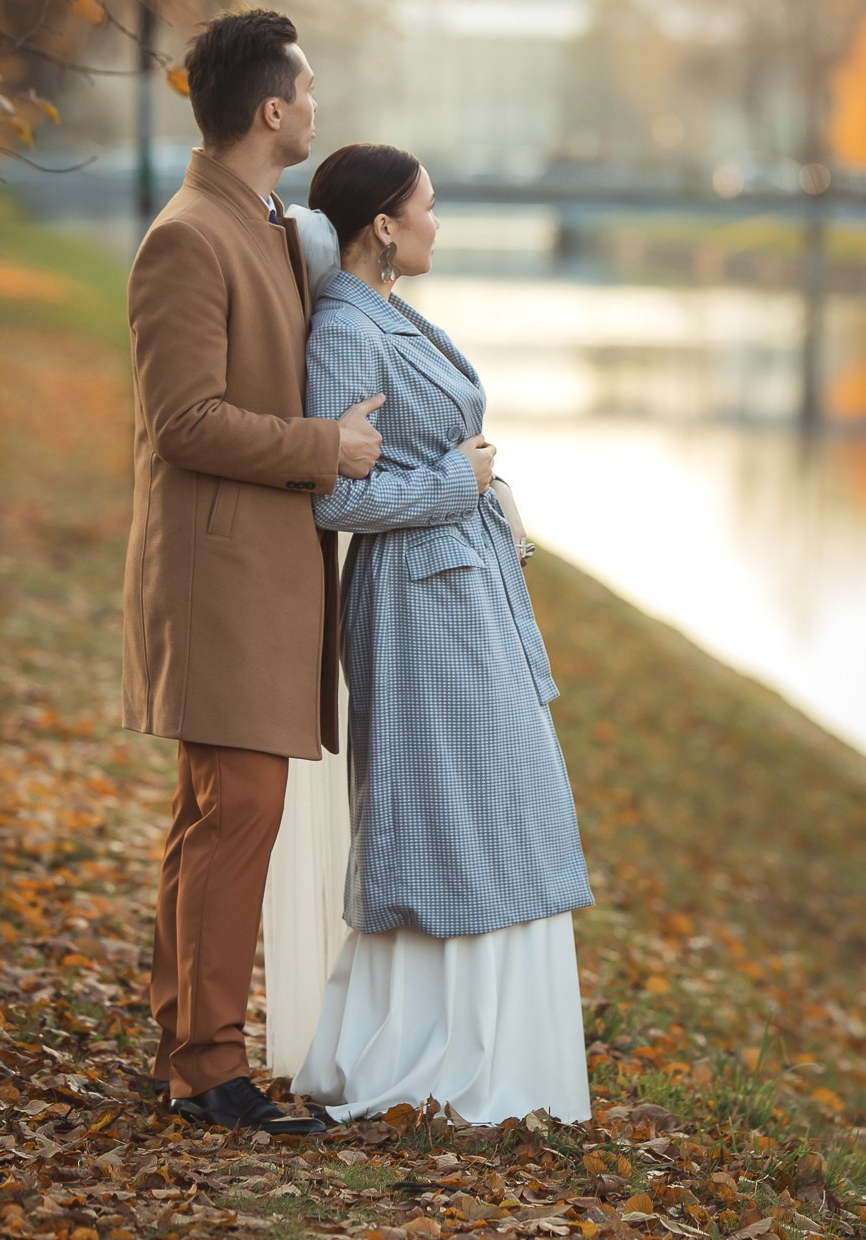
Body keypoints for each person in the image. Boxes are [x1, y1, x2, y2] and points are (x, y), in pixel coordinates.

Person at [282, 142, 595, 1125]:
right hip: (418, 609)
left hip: (462, 596)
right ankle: (430, 1056)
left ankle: (495, 1054)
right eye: (427, 205)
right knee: (448, 809)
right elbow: (332, 497)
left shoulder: (385, 311)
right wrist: (451, 485)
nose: (437, 220)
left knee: (509, 802)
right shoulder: (345, 323)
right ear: (383, 223)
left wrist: (482, 491)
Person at [119, 9, 388, 1137]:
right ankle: (210, 1071)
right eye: (309, 90)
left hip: (262, 576)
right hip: (220, 578)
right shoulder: (189, 235)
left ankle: (192, 1052)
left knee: (215, 813)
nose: (319, 107)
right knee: (242, 811)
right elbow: (184, 422)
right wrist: (326, 447)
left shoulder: (270, 226)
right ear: (272, 110)